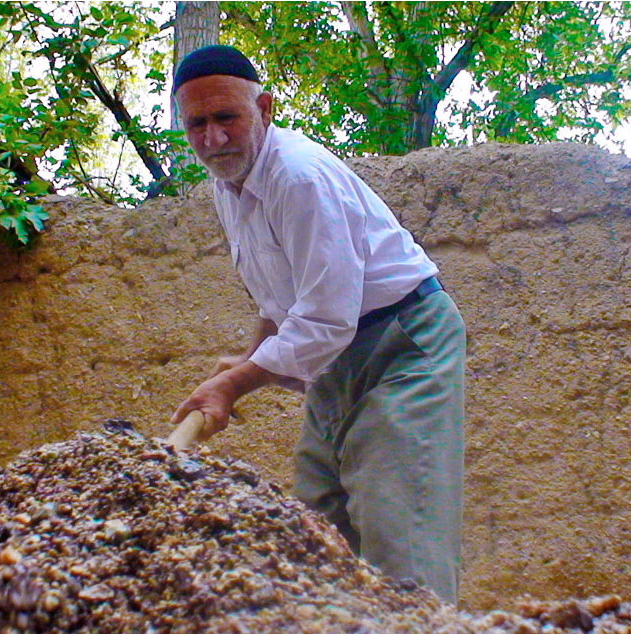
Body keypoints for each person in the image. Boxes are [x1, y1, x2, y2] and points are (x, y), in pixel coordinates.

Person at [169, 45, 466, 603]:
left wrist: (235, 384)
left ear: (265, 108)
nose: (212, 139)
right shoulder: (227, 184)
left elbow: (327, 315)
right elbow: (283, 293)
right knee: (317, 526)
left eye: (226, 118)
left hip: (403, 343)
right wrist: (250, 354)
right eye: (197, 124)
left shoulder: (299, 177)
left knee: (398, 523)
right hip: (338, 355)